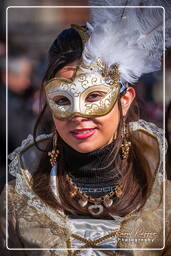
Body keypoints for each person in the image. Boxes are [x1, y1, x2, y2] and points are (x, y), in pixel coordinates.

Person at [0, 2, 171, 256]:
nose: (78, 114)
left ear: (124, 100)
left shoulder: (162, 196)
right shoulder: (18, 198)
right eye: (62, 100)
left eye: (93, 97)